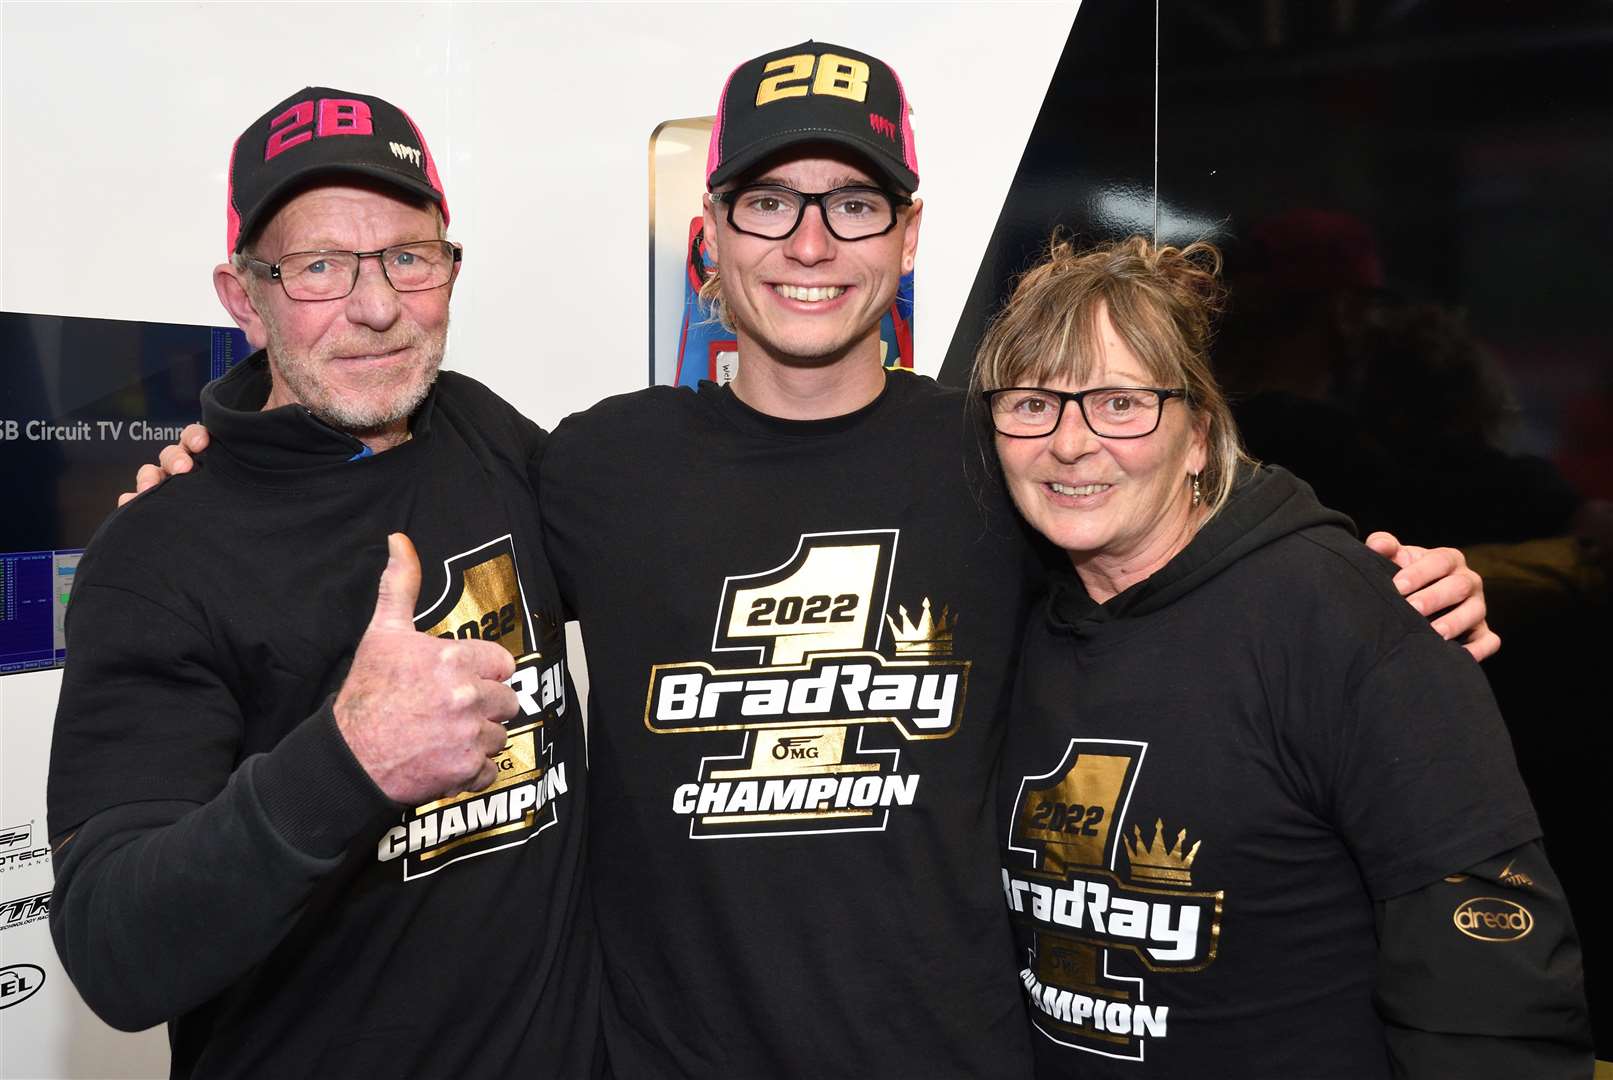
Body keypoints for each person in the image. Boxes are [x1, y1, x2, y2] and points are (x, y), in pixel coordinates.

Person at [125, 44, 1495, 1076]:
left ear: (908, 236)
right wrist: (213, 461)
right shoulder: (591, 461)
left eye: (853, 204)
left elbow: (1183, 521)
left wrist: (1382, 576)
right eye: (770, 204)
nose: (811, 244)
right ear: (707, 238)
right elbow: (377, 460)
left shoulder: (1002, 450)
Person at [47, 88, 601, 1078]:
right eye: (317, 268)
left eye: (406, 256)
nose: (378, 306)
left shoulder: (483, 431)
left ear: (448, 267)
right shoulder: (159, 554)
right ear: (240, 297)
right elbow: (112, 951)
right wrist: (349, 762)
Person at [974, 235, 1591, 1077]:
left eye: (1119, 403)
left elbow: (1491, 991)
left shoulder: (1349, 619)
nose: (1070, 442)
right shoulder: (1010, 616)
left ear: (1197, 435)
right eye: (1033, 404)